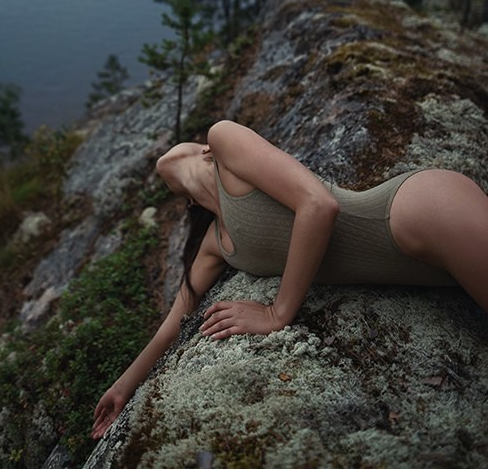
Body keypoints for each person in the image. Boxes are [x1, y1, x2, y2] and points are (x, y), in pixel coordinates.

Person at [92, 119, 488, 440]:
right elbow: (172, 324)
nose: (170, 158)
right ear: (190, 205)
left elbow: (319, 204)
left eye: (191, 149)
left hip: (415, 211)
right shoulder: (216, 244)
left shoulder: (223, 137)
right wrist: (123, 388)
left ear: (208, 153)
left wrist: (276, 312)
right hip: (425, 269)